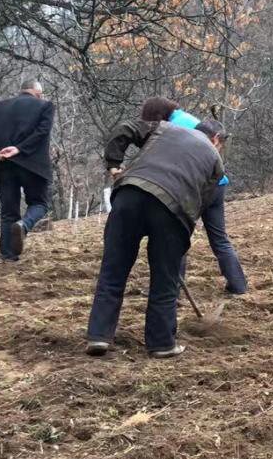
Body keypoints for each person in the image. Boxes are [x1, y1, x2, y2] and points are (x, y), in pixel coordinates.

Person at [85, 98, 226, 358]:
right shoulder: (216, 161)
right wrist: (177, 247)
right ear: (215, 140)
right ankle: (161, 343)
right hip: (172, 211)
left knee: (113, 270)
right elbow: (201, 204)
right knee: (164, 278)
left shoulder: (163, 129)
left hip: (129, 195)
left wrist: (114, 165)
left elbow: (124, 129)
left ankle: (99, 336)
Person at [139, 99, 248, 294]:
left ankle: (172, 286)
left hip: (199, 186)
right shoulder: (186, 120)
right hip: (217, 185)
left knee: (177, 235)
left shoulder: (172, 127)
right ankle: (238, 285)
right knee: (219, 237)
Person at [0, 79, 55, 261]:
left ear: (21, 91)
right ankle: (24, 224)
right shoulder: (45, 106)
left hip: (2, 164)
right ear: (37, 92)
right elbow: (42, 132)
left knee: (8, 211)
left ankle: (8, 255)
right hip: (32, 165)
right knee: (39, 204)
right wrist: (19, 149)